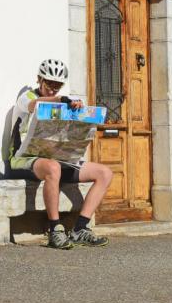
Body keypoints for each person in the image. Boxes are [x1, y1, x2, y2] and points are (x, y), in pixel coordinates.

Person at [7, 59, 113, 249]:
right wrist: (59, 100)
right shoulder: (26, 97)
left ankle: (80, 228)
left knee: (104, 173)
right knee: (53, 167)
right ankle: (55, 231)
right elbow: (32, 105)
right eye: (50, 84)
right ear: (39, 79)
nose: (53, 89)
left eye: (58, 86)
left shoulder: (63, 101)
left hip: (56, 159)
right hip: (23, 160)